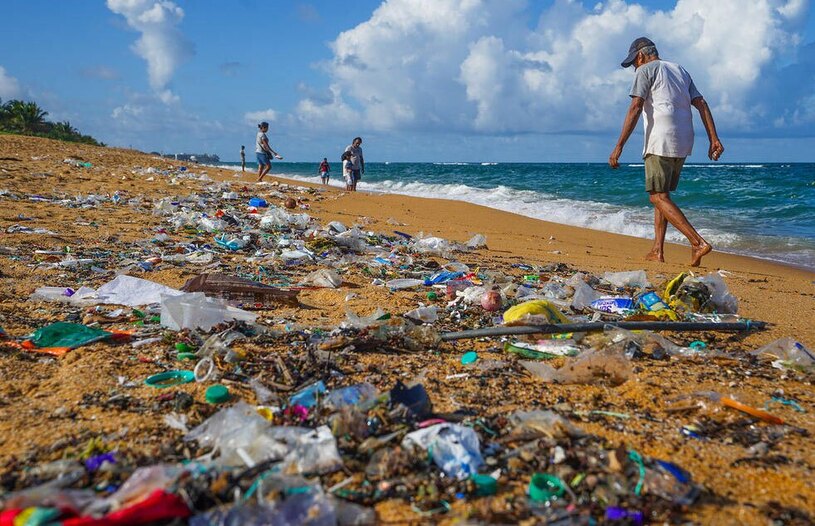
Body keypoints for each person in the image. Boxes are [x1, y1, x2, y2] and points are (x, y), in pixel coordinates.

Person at [609, 37, 723, 267]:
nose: (634, 67)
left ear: (640, 55)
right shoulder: (680, 70)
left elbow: (635, 107)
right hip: (683, 140)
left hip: (659, 139)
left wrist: (619, 145)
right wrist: (713, 138)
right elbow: (701, 103)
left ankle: (697, 242)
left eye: (633, 62)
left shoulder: (645, 70)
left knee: (656, 196)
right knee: (663, 197)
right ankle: (657, 250)